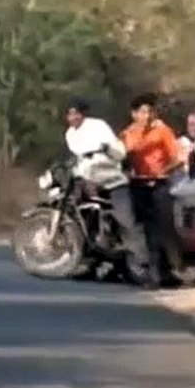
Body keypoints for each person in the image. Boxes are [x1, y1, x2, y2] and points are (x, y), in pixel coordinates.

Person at [62, 97, 147, 268]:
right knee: (76, 211)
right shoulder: (70, 135)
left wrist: (106, 148)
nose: (73, 118)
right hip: (89, 180)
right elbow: (79, 158)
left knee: (126, 220)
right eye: (69, 114)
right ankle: (86, 257)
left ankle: (144, 262)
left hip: (112, 181)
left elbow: (119, 151)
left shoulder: (98, 126)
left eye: (76, 113)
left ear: (83, 114)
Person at [120, 93, 185, 287]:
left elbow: (178, 158)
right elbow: (121, 157)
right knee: (144, 230)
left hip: (159, 184)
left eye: (149, 111)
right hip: (138, 185)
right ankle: (153, 273)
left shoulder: (162, 131)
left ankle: (170, 270)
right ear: (134, 114)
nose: (146, 116)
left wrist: (162, 171)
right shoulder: (128, 133)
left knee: (163, 228)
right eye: (142, 112)